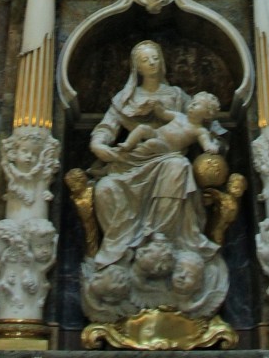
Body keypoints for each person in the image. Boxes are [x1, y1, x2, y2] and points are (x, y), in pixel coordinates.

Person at [89, 40, 220, 268]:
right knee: (104, 189)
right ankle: (122, 254)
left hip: (169, 158)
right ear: (136, 67)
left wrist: (215, 144)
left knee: (177, 166)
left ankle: (162, 243)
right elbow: (106, 127)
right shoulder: (125, 98)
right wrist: (98, 145)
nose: (151, 63)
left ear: (162, 61)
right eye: (145, 60)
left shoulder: (178, 96)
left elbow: (211, 125)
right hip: (131, 162)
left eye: (155, 58)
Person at [118, 91, 220, 158]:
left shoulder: (200, 130)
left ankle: (132, 157)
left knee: (152, 143)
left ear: (207, 114)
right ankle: (128, 144)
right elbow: (163, 113)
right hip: (156, 134)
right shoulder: (179, 115)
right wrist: (157, 105)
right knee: (142, 128)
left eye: (197, 104)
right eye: (192, 101)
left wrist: (211, 147)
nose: (192, 104)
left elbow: (206, 144)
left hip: (167, 148)